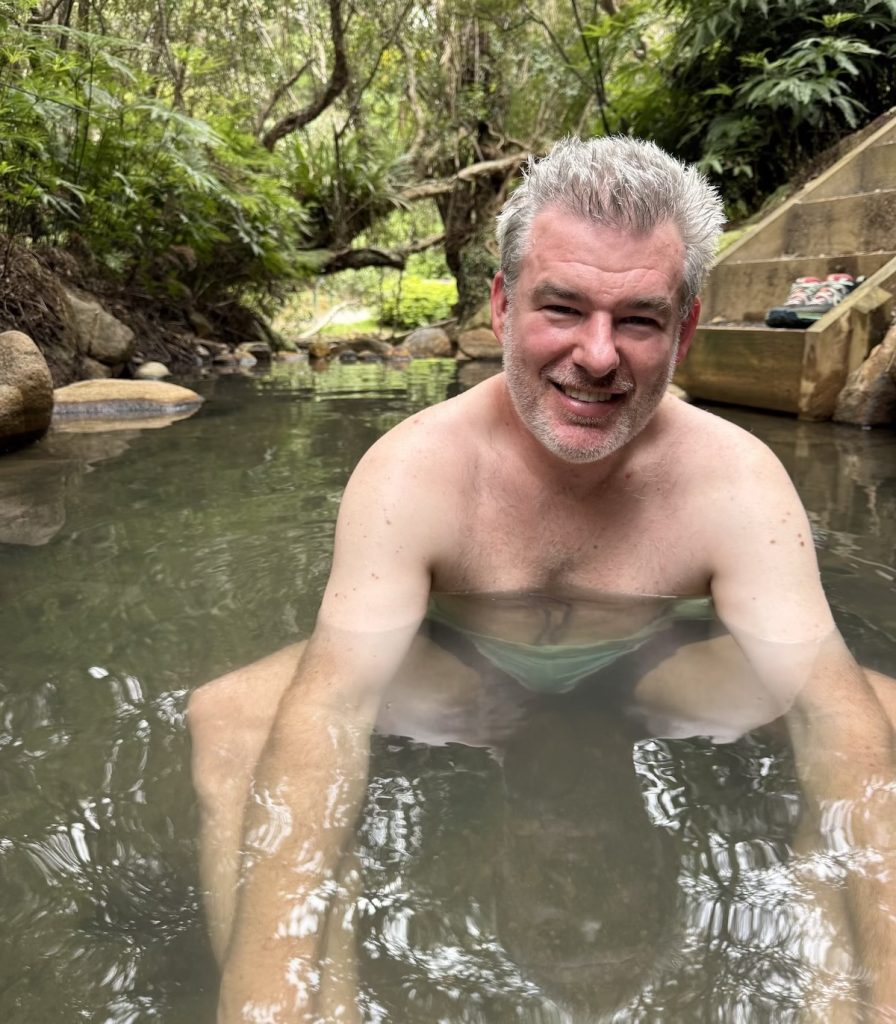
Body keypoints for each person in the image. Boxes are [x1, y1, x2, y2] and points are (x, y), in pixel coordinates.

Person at [188, 136, 896, 1022]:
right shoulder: (417, 469)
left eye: (638, 319)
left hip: (654, 669)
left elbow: (832, 712)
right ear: (501, 305)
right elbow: (332, 706)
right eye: (562, 308)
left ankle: (851, 997)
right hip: (464, 668)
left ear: (685, 329)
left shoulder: (735, 480)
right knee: (233, 718)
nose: (597, 357)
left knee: (875, 724)